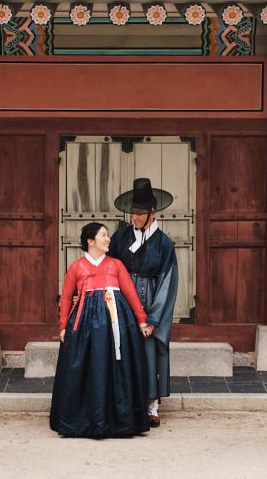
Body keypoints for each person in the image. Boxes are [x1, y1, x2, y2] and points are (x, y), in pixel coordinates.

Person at [50, 222, 154, 438]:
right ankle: (82, 420)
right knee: (86, 368)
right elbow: (67, 297)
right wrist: (62, 326)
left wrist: (142, 320)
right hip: (84, 327)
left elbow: (131, 293)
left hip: (116, 323)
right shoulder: (77, 267)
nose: (108, 239)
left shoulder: (116, 265)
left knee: (117, 367)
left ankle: (119, 421)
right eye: (103, 235)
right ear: (90, 241)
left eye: (108, 236)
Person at [108, 178, 180, 428]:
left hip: (151, 299)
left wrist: (153, 319)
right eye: (132, 213)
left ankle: (151, 407)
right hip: (123, 301)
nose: (134, 218)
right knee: (123, 350)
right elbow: (109, 267)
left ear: (152, 213)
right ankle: (126, 403)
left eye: (139, 213)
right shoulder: (120, 237)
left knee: (149, 353)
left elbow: (168, 281)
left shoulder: (164, 243)